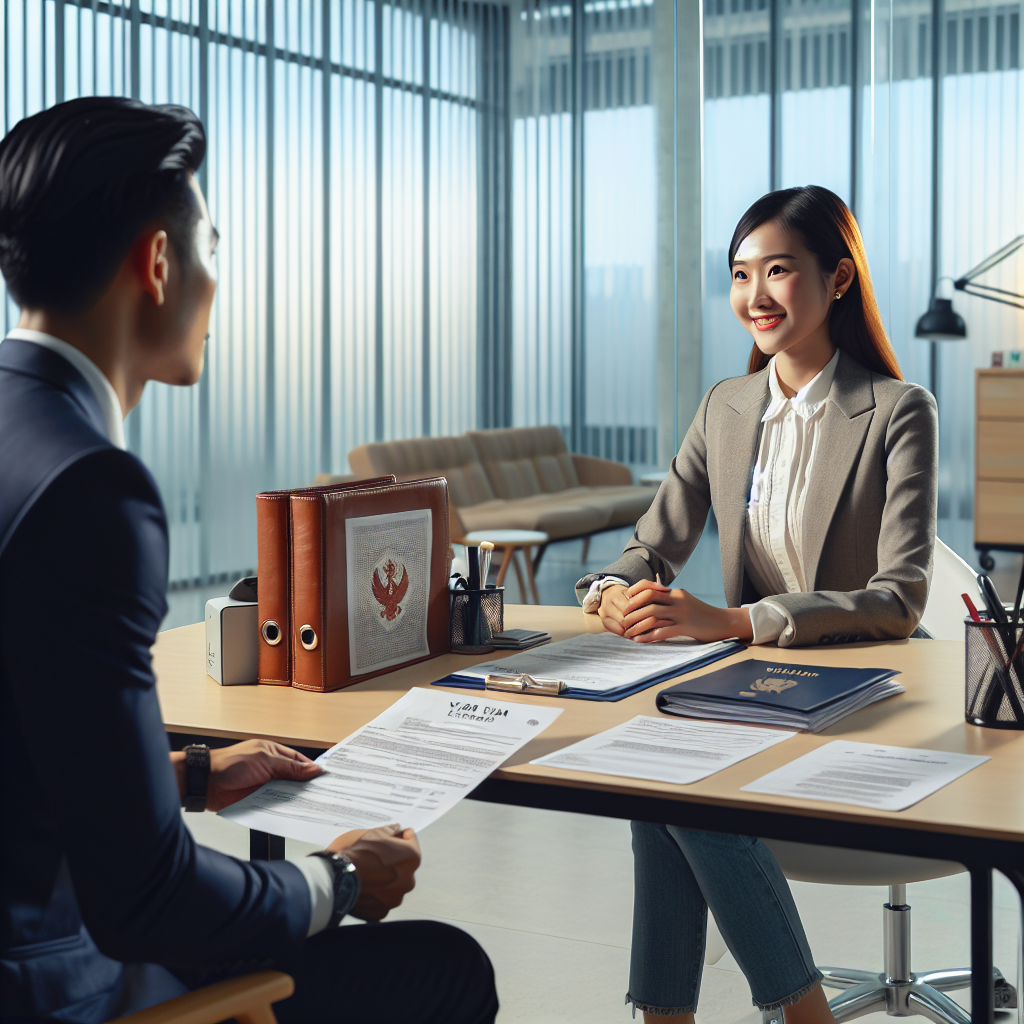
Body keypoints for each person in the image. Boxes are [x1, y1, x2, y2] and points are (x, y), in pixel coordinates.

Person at [0, 97, 497, 1024]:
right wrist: (339, 880)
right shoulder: (89, 488)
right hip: (55, 984)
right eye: (212, 247)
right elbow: (145, 901)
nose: (217, 281)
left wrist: (191, 773)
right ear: (156, 263)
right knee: (446, 968)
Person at [577, 186, 937, 1023]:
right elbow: (654, 540)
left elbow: (898, 599)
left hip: (854, 690)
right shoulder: (726, 406)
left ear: (838, 278)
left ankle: (789, 1013)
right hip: (742, 695)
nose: (756, 296)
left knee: (682, 797)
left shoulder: (896, 411)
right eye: (741, 275)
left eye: (779, 271)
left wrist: (734, 621)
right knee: (657, 783)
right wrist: (612, 591)